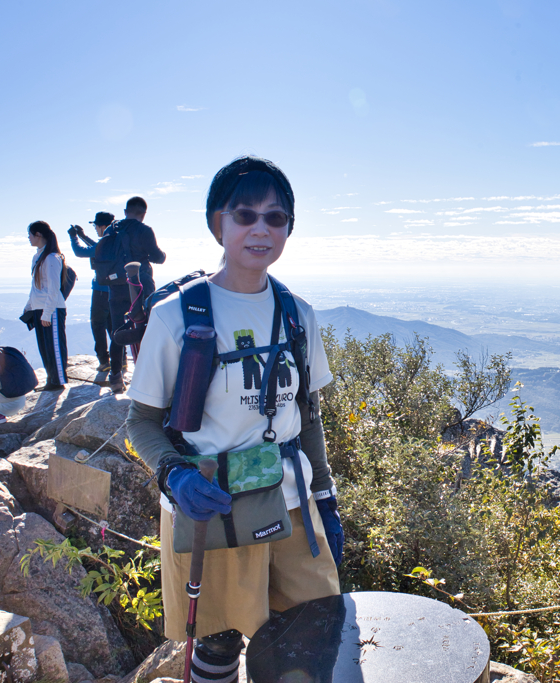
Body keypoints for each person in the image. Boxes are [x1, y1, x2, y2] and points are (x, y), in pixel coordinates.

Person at [126, 157, 342, 683]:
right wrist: (175, 476)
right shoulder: (176, 316)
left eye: (276, 217)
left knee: (309, 637)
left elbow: (307, 416)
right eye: (245, 215)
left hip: (293, 505)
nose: (261, 229)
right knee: (219, 643)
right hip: (214, 508)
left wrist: (326, 496)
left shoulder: (297, 313)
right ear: (217, 223)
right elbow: (141, 422)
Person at [104, 196, 166, 394]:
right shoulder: (144, 230)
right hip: (140, 286)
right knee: (147, 327)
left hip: (115, 287)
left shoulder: (111, 230)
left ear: (125, 211)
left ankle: (115, 377)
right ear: (144, 214)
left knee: (117, 330)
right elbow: (158, 257)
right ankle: (148, 377)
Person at [22, 221, 69, 391]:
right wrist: (29, 305)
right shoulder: (38, 256)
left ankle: (58, 382)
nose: (28, 238)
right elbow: (36, 286)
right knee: (44, 347)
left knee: (54, 346)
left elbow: (53, 288)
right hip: (39, 308)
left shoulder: (51, 258)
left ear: (38, 235)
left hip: (52, 309)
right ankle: (52, 380)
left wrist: (47, 313)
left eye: (30, 234)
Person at [69, 211, 114, 372]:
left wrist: (74, 237)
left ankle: (104, 361)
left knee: (98, 324)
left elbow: (80, 252)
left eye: (95, 225)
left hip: (101, 291)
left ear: (102, 226)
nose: (95, 228)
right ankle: (120, 359)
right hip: (116, 290)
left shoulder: (105, 242)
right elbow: (97, 248)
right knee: (113, 324)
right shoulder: (115, 240)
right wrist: (83, 236)